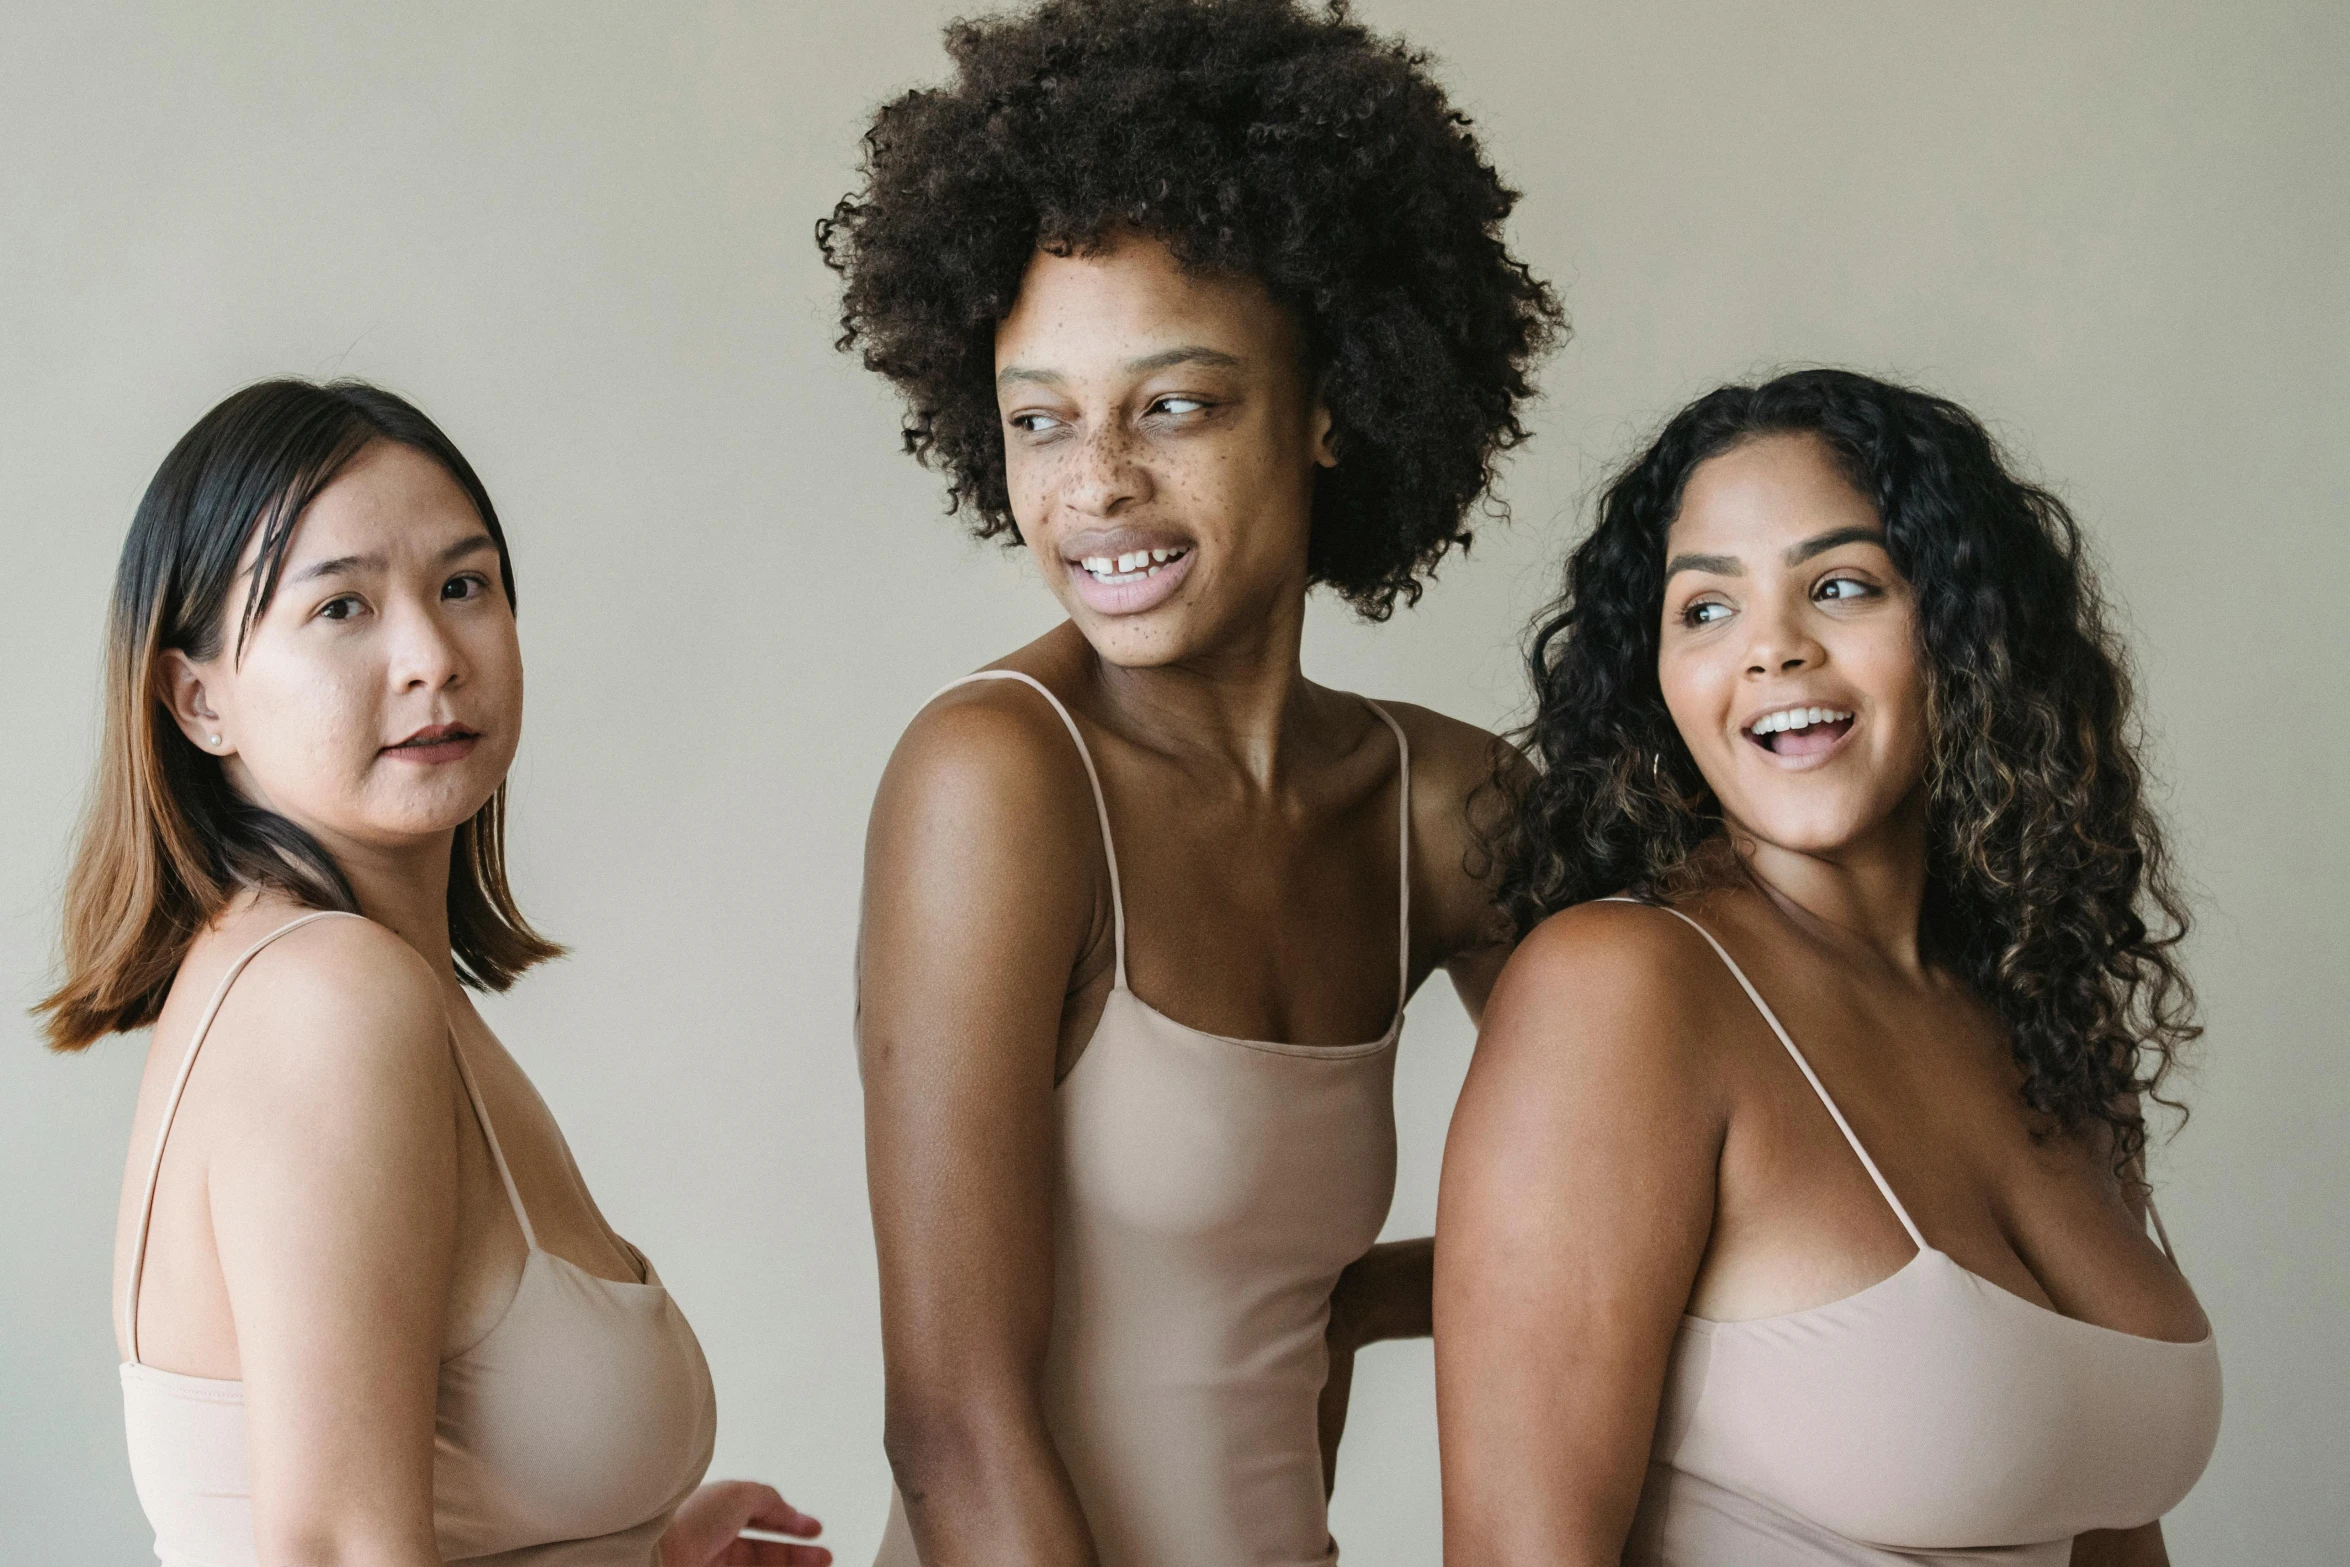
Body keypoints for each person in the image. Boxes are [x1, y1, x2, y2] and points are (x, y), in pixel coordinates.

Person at [820, 0, 1562, 1561]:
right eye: (1040, 419)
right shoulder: (1001, 779)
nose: (1094, 483)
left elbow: (1677, 1170)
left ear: (1331, 408)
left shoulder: (1437, 808)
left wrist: (1359, 1300)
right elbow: (953, 1419)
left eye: (1175, 402)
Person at [1435, 368, 2221, 1566]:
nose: (1771, 653)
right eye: (1704, 610)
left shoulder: (2039, 1007)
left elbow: (2105, 1527)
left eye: (1839, 587)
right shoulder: (1624, 987)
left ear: (1963, 633)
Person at [40, 380, 829, 1567]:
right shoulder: (327, 999)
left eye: (463, 586)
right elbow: (332, 1552)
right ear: (198, 698)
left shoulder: (361, 978)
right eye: (343, 606)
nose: (431, 657)